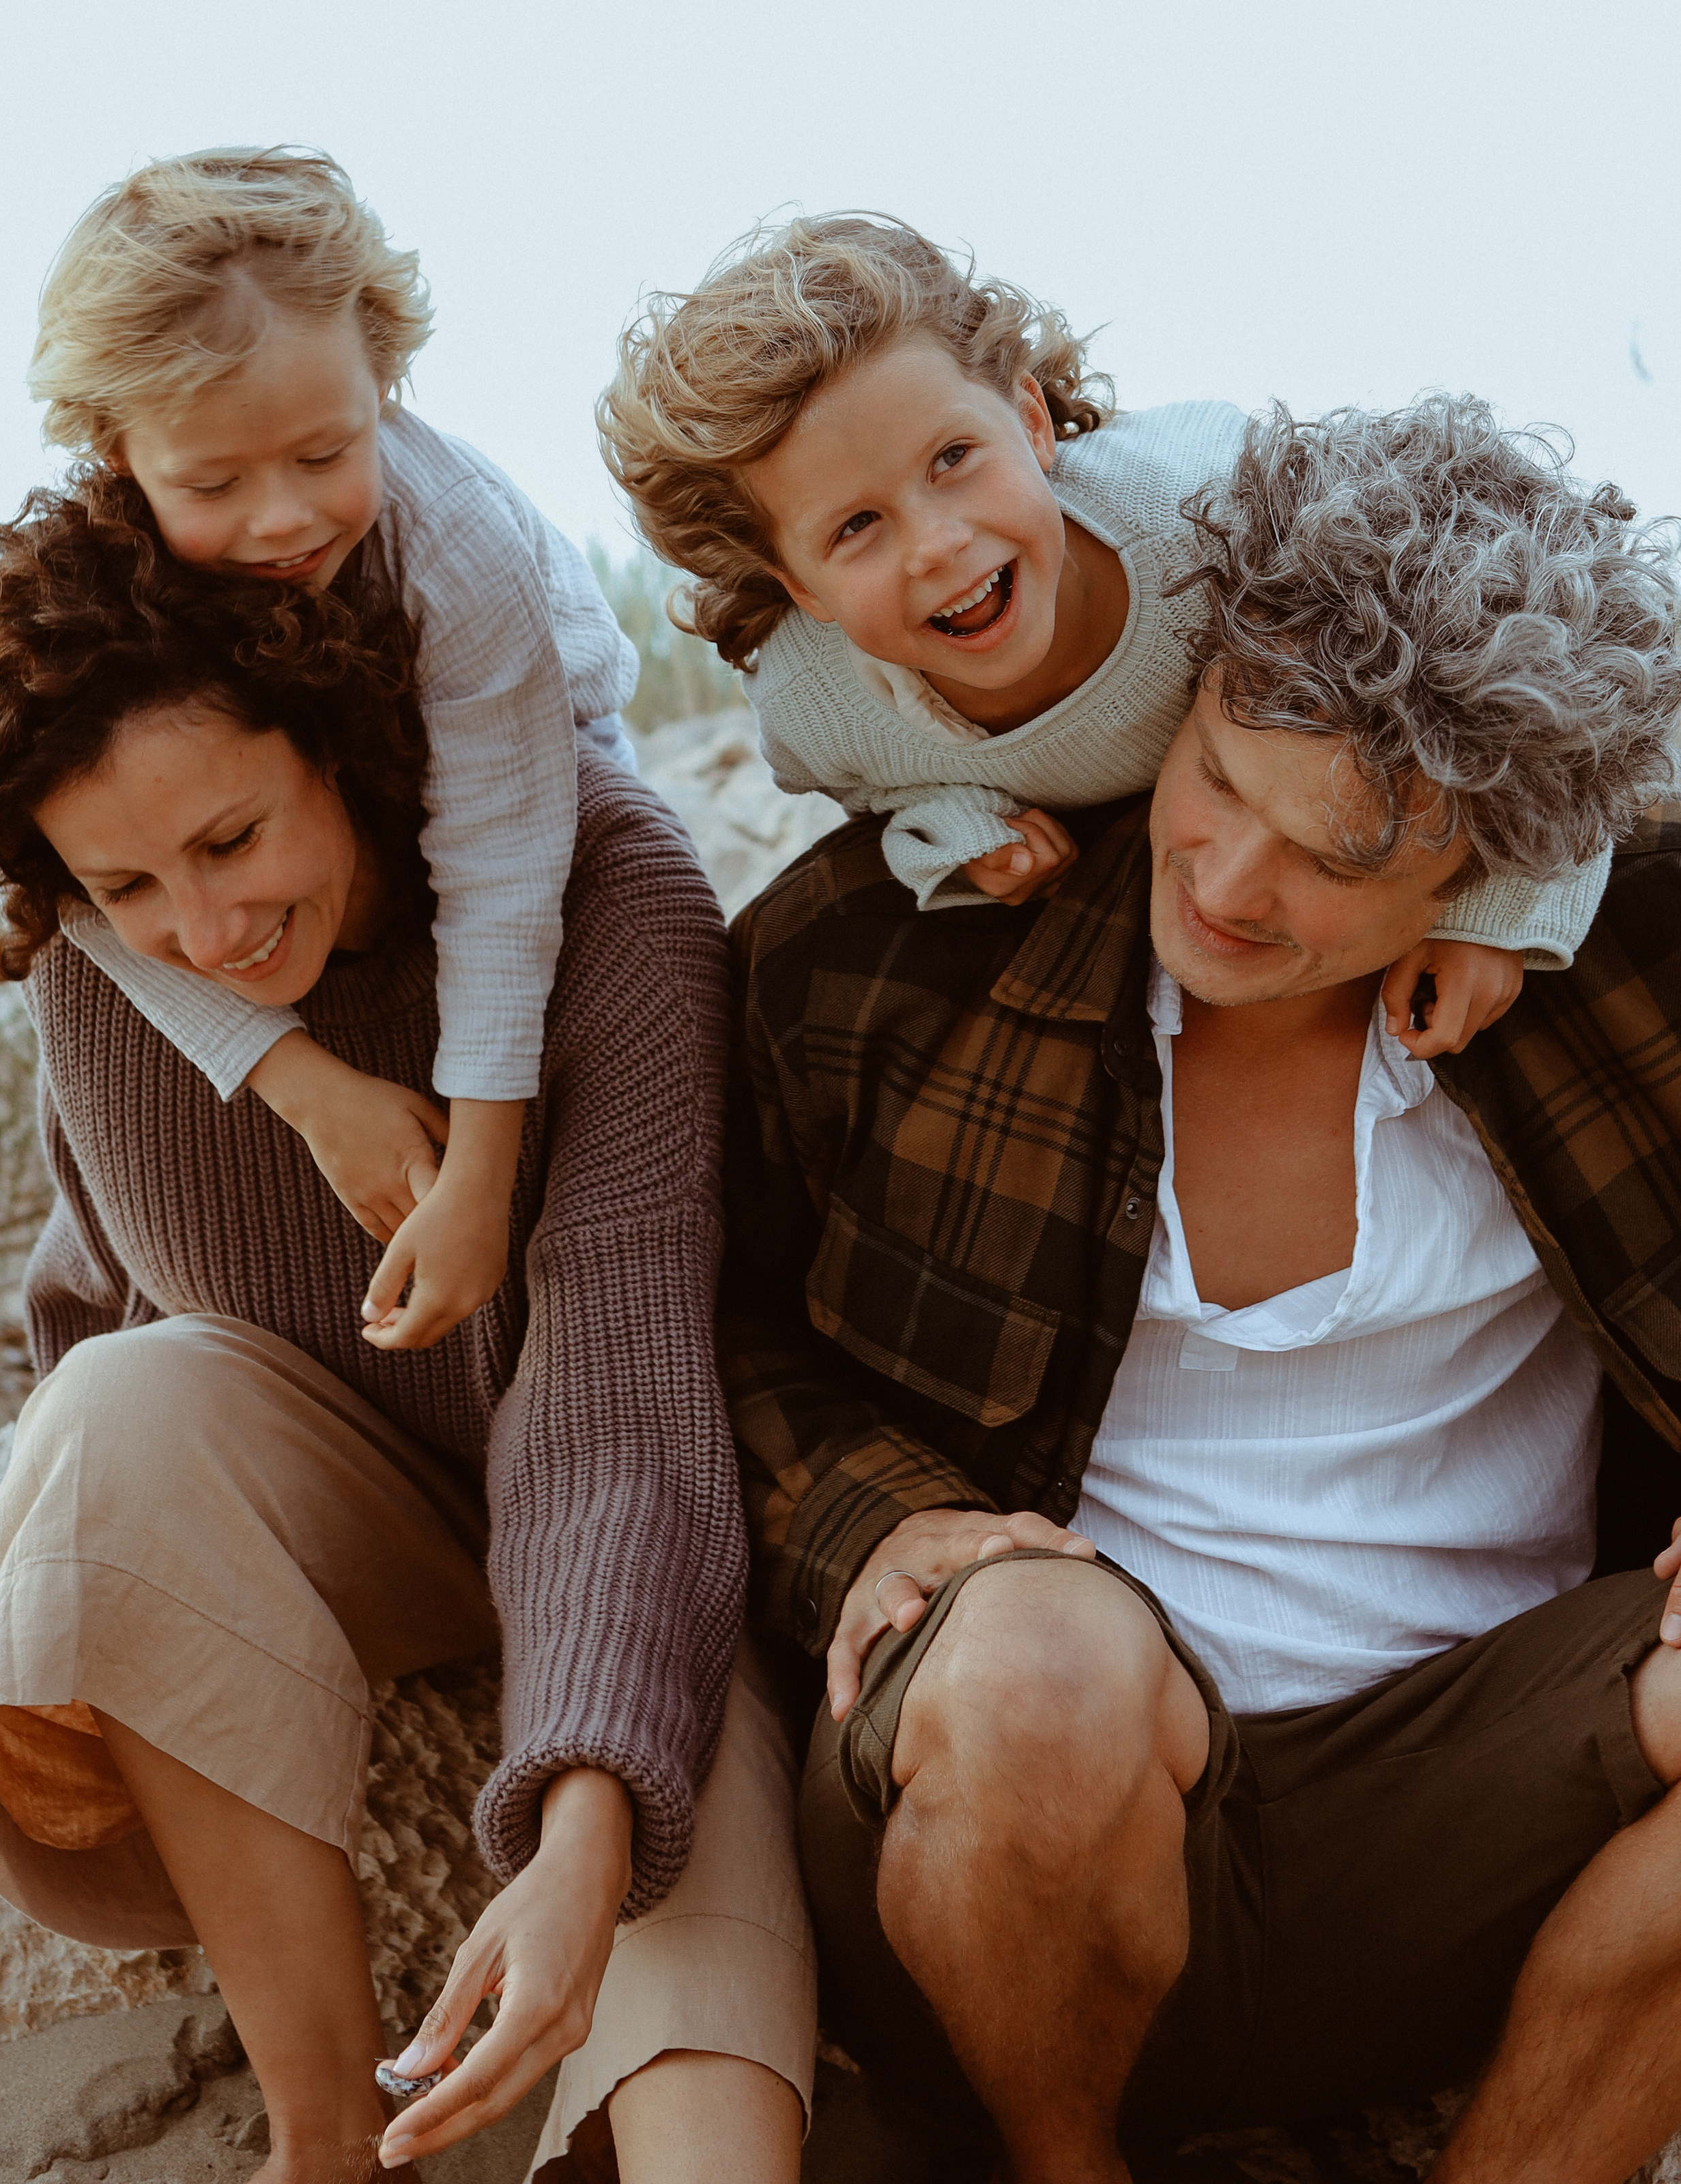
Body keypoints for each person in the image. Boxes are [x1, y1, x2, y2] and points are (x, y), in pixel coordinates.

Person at [717, 396, 1681, 2182]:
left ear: (1496, 869)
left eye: (1339, 861)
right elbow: (695, 1319)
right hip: (1005, 1852)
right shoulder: (874, 958)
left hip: (1475, 1835)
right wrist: (869, 1524)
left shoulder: (1624, 974)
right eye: (1223, 779)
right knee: (1035, 1670)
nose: (1230, 886)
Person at [0, 481, 814, 2184]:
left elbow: (618, 1396)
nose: (202, 931)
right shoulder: (98, 979)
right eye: (127, 880)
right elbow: (115, 1336)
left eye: (234, 840)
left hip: (665, 1520)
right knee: (124, 1404)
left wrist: (575, 1824)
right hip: (376, 1514)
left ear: (337, 741)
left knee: (686, 2017)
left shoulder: (611, 892)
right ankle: (322, 2142)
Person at [599, 212, 1619, 1062]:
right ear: (800, 587)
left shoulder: (1217, 516)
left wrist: (1509, 917)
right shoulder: (813, 708)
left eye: (954, 456)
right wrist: (959, 829)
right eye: (856, 528)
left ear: (1032, 424)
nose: (938, 543)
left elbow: (1554, 672)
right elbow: (885, 800)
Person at [29, 144, 640, 1351]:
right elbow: (81, 874)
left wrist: (476, 1178)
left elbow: (504, 871)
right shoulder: (100, 578)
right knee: (105, 951)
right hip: (284, 796)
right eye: (211, 481)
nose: (283, 517)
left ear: (386, 383)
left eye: (325, 455)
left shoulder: (460, 556)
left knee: (594, 934)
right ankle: (105, 1304)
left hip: (527, 760)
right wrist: (304, 1089)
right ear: (118, 454)